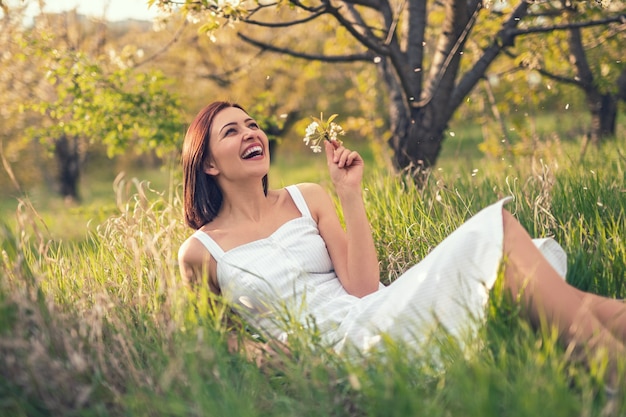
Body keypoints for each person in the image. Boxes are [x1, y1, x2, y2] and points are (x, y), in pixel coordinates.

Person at [178, 101, 626, 380]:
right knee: (504, 240)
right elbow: (224, 338)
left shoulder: (305, 199)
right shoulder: (202, 252)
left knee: (530, 271)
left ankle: (612, 374)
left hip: (373, 314)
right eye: (231, 131)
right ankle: (614, 376)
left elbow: (363, 287)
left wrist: (348, 195)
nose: (250, 133)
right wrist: (271, 357)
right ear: (209, 165)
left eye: (251, 124)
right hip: (335, 358)